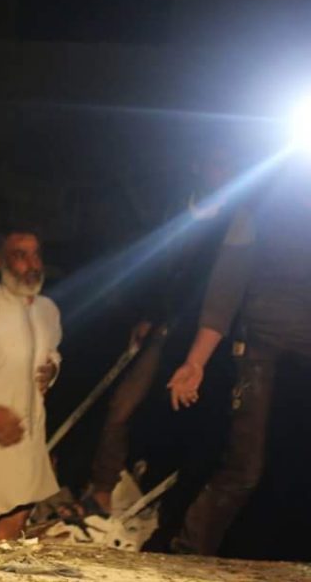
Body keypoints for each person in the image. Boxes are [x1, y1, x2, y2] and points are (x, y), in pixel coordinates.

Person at [75, 145, 240, 517]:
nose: (225, 172)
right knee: (123, 404)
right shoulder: (175, 209)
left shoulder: (239, 218)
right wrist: (149, 314)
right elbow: (159, 267)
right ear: (198, 165)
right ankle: (102, 489)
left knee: (191, 422)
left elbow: (229, 288)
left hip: (211, 338)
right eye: (218, 163)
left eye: (231, 165)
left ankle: (168, 507)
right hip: (167, 325)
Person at [167, 157, 311, 555]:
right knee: (245, 468)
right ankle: (188, 556)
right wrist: (196, 361)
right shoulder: (256, 213)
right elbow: (224, 292)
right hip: (261, 349)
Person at [0, 230, 61, 539]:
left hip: (28, 435)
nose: (32, 265)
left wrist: (53, 368)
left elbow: (51, 352)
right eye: (20, 256)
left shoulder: (48, 310)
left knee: (14, 526)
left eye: (36, 255)